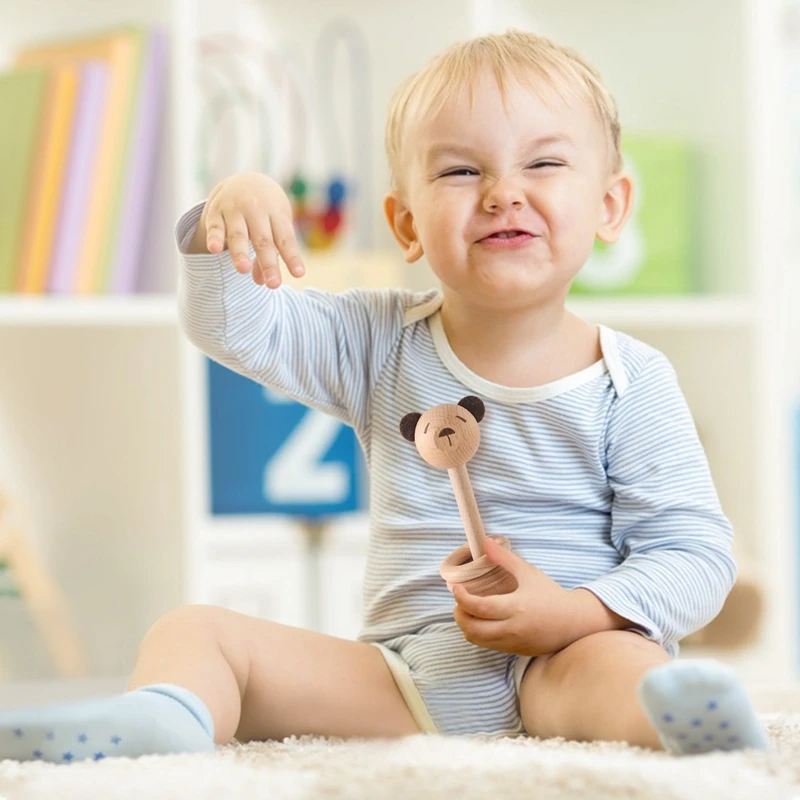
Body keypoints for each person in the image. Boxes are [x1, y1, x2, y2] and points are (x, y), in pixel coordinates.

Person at [0, 30, 768, 764]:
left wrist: (574, 615)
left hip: (561, 663)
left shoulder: (631, 380)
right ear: (405, 223)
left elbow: (695, 557)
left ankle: (682, 723)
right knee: (194, 628)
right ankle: (165, 718)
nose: (503, 194)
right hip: (403, 682)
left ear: (609, 205)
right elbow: (237, 329)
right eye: (462, 172)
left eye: (543, 164)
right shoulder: (380, 339)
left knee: (623, 671)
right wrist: (229, 216)